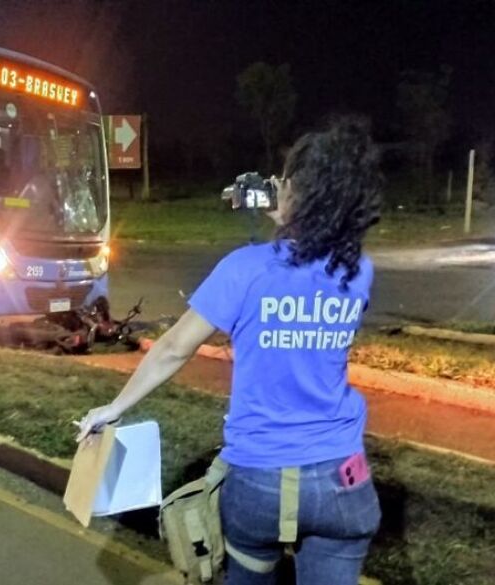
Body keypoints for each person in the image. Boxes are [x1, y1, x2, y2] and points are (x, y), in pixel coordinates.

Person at [76, 118, 383, 585]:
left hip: (259, 477)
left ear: (296, 194)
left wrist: (114, 409)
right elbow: (315, 270)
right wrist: (298, 219)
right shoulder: (358, 272)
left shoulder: (245, 268)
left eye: (285, 182)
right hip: (342, 479)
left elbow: (175, 348)